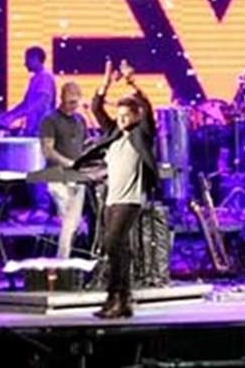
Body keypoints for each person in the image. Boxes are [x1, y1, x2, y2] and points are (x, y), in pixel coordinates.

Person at [85, 59, 159, 319]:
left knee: (112, 244)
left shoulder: (141, 135)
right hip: (112, 199)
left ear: (136, 117)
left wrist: (132, 81)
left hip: (131, 199)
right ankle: (119, 300)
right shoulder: (113, 134)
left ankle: (119, 296)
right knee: (117, 248)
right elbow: (96, 107)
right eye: (119, 115)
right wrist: (104, 83)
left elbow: (148, 108)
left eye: (127, 115)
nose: (122, 119)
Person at [38, 81, 91, 257]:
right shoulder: (50, 120)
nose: (73, 106)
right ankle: (62, 261)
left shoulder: (80, 120)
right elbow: (47, 151)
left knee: (74, 222)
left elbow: (84, 145)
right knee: (69, 218)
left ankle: (70, 257)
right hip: (57, 177)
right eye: (70, 102)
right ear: (61, 98)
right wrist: (69, 163)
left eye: (76, 102)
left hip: (76, 177)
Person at [1, 46, 56, 136]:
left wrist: (14, 115)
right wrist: (9, 115)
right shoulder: (35, 78)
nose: (25, 63)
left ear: (35, 59)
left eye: (27, 59)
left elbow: (40, 102)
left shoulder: (45, 77)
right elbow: (26, 104)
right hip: (34, 129)